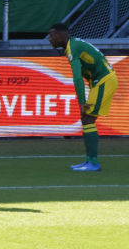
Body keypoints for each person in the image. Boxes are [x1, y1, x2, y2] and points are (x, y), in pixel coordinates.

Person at [47, 23, 118, 171]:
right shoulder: (73, 45)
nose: (50, 39)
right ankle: (89, 161)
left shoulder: (73, 47)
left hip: (104, 81)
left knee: (88, 118)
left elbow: (77, 77)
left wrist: (81, 102)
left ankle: (93, 163)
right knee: (86, 119)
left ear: (62, 35)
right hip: (102, 81)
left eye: (52, 35)